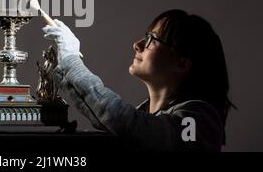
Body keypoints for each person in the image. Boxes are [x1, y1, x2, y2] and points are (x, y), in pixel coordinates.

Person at [42, 9, 235, 152]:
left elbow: (126, 122)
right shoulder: (147, 115)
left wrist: (72, 61)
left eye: (152, 39)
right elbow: (105, 118)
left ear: (182, 64)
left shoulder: (198, 121)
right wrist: (64, 65)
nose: (137, 45)